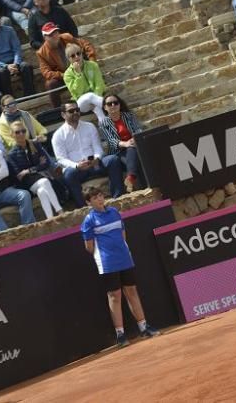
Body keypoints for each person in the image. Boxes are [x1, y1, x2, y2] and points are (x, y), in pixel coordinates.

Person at [82, 186, 160, 347]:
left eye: (100, 195)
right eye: (94, 197)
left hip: (125, 258)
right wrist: (104, 254)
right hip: (107, 263)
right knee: (115, 296)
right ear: (88, 202)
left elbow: (123, 235)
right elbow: (89, 247)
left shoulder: (115, 213)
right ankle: (120, 335)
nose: (99, 199)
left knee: (131, 291)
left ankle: (144, 327)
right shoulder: (89, 220)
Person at [53, 101, 125, 204]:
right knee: (69, 174)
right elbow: (61, 159)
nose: (75, 112)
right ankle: (83, 207)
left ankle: (118, 198)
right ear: (63, 114)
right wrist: (77, 165)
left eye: (77, 110)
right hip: (77, 169)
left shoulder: (89, 126)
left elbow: (97, 147)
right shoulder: (58, 135)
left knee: (113, 160)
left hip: (94, 164)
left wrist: (97, 158)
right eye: (71, 111)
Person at [6, 124, 64, 219]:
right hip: (26, 184)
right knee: (44, 182)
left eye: (23, 131)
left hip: (39, 178)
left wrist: (28, 170)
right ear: (12, 135)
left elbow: (46, 163)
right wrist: (37, 166)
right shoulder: (11, 155)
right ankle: (60, 211)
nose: (21, 134)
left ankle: (50, 218)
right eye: (17, 132)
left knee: (41, 191)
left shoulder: (35, 145)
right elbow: (19, 175)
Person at [99, 93, 147, 193]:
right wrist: (126, 143)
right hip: (119, 151)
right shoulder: (104, 123)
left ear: (120, 104)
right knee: (137, 157)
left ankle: (132, 179)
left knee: (133, 150)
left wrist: (134, 139)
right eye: (109, 104)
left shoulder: (129, 116)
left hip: (135, 146)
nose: (113, 105)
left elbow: (138, 129)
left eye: (115, 103)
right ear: (105, 107)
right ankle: (144, 186)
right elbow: (111, 140)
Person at [64, 44, 106, 121]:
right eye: (73, 56)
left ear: (82, 54)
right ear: (69, 59)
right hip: (81, 103)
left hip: (97, 98)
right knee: (90, 96)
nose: (76, 57)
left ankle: (106, 127)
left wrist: (96, 98)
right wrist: (78, 74)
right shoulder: (67, 74)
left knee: (98, 110)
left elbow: (99, 83)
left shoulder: (93, 65)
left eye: (78, 53)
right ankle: (108, 105)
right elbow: (77, 92)